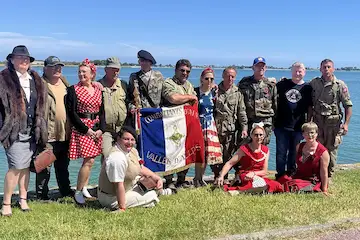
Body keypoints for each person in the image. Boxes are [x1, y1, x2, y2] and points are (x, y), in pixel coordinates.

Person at [0, 45, 48, 216]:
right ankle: (6, 203)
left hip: (33, 130)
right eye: (19, 58)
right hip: (13, 130)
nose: (23, 60)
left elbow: (41, 105)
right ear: (11, 60)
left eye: (26, 58)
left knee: (26, 167)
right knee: (15, 166)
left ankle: (23, 199)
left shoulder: (35, 79)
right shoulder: (3, 79)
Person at [66, 58, 105, 205]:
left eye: (84, 72)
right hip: (82, 127)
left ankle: (84, 188)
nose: (81, 74)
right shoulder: (73, 89)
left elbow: (102, 112)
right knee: (88, 160)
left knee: (91, 160)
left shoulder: (98, 89)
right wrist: (86, 130)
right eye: (79, 72)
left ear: (92, 74)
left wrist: (101, 128)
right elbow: (72, 113)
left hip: (96, 127)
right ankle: (78, 191)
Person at [98, 126, 162, 211]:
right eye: (126, 139)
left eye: (132, 140)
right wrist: (122, 208)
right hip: (112, 197)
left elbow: (141, 168)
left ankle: (157, 192)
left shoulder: (132, 151)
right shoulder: (117, 158)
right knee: (152, 195)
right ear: (118, 138)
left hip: (128, 186)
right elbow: (118, 185)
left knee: (154, 182)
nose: (129, 142)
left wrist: (157, 178)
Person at [36, 56, 73, 200]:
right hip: (48, 132)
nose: (58, 69)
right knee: (44, 167)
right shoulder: (39, 84)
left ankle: (65, 191)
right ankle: (42, 196)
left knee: (63, 166)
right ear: (45, 68)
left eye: (59, 67)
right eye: (54, 66)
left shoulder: (65, 83)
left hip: (65, 132)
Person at [309, 59, 353, 177]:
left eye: (329, 67)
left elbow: (347, 105)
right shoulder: (314, 83)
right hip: (317, 123)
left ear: (333, 69)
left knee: (331, 150)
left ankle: (329, 176)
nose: (326, 69)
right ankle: (317, 175)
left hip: (333, 124)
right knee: (317, 149)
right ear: (320, 69)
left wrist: (346, 124)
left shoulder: (339, 85)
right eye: (324, 67)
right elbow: (306, 98)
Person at [215, 122, 283, 193]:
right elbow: (230, 163)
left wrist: (254, 174)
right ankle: (244, 191)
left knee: (277, 185)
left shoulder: (266, 150)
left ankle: (241, 191)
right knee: (260, 184)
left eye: (261, 135)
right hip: (245, 176)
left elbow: (264, 171)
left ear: (264, 136)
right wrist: (221, 175)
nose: (259, 137)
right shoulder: (244, 149)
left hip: (257, 176)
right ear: (251, 136)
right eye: (256, 135)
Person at [161, 59, 198, 189]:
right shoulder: (168, 83)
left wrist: (189, 97)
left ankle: (181, 180)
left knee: (185, 152)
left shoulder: (189, 85)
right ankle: (169, 181)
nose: (184, 73)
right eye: (182, 70)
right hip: (170, 125)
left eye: (187, 71)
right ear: (176, 70)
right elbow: (173, 98)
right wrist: (189, 97)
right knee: (170, 153)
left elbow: (194, 102)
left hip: (186, 125)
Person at [274, 62, 313, 178]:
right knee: (281, 152)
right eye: (295, 71)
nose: (297, 73)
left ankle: (291, 173)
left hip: (298, 126)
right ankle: (280, 174)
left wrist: (309, 123)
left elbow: (310, 107)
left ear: (304, 72)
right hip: (281, 125)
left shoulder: (307, 88)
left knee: (294, 152)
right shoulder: (282, 84)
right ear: (291, 71)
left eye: (300, 71)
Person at [213, 67, 248, 181]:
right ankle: (216, 175)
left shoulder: (237, 93)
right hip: (216, 128)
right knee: (215, 154)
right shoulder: (215, 90)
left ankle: (225, 176)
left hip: (230, 129)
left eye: (232, 76)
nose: (230, 78)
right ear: (223, 76)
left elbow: (241, 112)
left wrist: (244, 128)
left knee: (228, 154)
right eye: (228, 75)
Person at [277, 122, 330, 194]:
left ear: (317, 134)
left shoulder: (323, 152)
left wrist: (324, 190)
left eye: (312, 133)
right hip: (299, 177)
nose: (310, 135)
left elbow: (324, 173)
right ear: (303, 134)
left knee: (294, 186)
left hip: (312, 181)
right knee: (281, 180)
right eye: (307, 133)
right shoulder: (299, 147)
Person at [238, 57, 277, 145]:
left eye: (263, 66)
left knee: (262, 150)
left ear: (266, 68)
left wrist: (274, 123)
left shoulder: (270, 85)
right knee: (245, 149)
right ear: (253, 68)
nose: (261, 68)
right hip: (248, 122)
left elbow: (275, 104)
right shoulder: (244, 83)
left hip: (265, 122)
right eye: (258, 66)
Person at [194, 68, 223, 187]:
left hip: (210, 125)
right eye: (207, 78)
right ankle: (196, 177)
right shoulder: (195, 91)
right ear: (201, 79)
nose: (209, 81)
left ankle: (201, 178)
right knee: (198, 152)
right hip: (198, 124)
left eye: (211, 78)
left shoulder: (214, 92)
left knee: (207, 154)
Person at [98, 57, 127, 161]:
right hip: (106, 130)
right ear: (106, 70)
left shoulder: (123, 85)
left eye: (118, 69)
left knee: (124, 159)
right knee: (108, 158)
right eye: (113, 69)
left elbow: (130, 102)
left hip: (122, 129)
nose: (116, 72)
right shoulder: (98, 86)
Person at [128, 50, 164, 127]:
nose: (143, 63)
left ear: (150, 63)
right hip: (140, 114)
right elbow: (130, 96)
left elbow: (163, 95)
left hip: (156, 114)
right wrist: (132, 108)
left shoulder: (158, 76)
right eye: (141, 61)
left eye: (145, 61)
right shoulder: (134, 76)